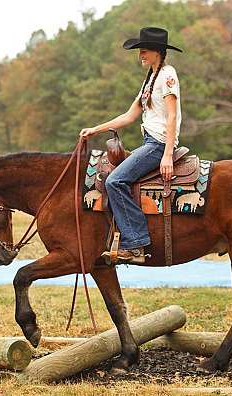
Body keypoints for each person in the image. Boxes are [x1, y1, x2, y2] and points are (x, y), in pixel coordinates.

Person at [79, 27, 182, 264]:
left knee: (115, 181)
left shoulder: (167, 75)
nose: (141, 55)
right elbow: (128, 116)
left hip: (158, 143)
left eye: (144, 51)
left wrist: (167, 154)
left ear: (157, 51)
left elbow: (172, 116)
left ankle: (135, 244)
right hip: (150, 141)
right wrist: (96, 129)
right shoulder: (150, 79)